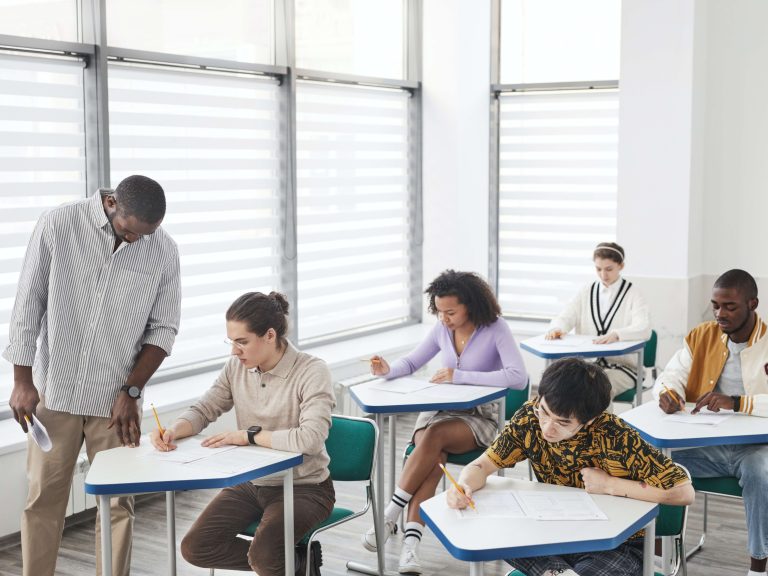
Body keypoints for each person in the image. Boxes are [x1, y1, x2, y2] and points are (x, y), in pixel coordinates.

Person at [3, 175, 180, 576]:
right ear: (112, 203)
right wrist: (21, 380)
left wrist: (132, 390)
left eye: (146, 235)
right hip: (56, 394)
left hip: (115, 403)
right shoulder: (58, 225)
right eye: (129, 232)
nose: (137, 241)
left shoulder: (163, 250)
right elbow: (28, 305)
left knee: (119, 505)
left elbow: (163, 328)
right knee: (43, 501)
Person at [448, 357, 694, 576]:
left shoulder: (615, 436)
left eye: (563, 422)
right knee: (500, 535)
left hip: (615, 544)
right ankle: (558, 572)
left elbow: (683, 492)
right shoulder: (528, 419)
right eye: (543, 412)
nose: (547, 428)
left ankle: (554, 571)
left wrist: (610, 485)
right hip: (555, 535)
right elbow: (482, 465)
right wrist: (464, 485)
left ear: (590, 420)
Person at [150, 291, 336, 576]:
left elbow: (309, 439)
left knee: (265, 557)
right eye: (231, 342)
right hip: (252, 483)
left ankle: (280, 562)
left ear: (270, 335)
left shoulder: (312, 371)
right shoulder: (236, 367)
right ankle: (298, 562)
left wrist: (249, 436)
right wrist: (174, 430)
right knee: (196, 547)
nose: (234, 351)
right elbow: (204, 409)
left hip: (305, 488)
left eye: (242, 342)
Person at [361, 270, 528, 575]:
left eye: (451, 312)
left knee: (433, 437)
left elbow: (518, 378)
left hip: (478, 416)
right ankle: (410, 547)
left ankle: (389, 513)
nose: (445, 318)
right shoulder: (442, 329)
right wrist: (387, 369)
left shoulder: (495, 328)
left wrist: (460, 375)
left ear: (471, 305)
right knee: (433, 455)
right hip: (439, 410)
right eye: (439, 311)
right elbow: (412, 362)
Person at [654, 269, 768, 576]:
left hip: (756, 447)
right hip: (706, 444)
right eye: (716, 305)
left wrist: (737, 402)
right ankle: (658, 554)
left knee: (760, 470)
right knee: (655, 461)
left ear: (752, 304)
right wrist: (668, 393)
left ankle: (759, 565)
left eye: (730, 306)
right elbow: (671, 375)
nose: (720, 313)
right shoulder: (701, 335)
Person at [546, 242, 651, 399]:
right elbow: (567, 316)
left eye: (609, 269)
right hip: (589, 366)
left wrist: (617, 334)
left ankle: (602, 425)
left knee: (599, 390)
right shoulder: (586, 291)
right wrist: (558, 328)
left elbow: (644, 328)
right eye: (598, 269)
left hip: (624, 369)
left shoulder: (634, 293)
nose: (603, 275)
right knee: (563, 386)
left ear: (621, 266)